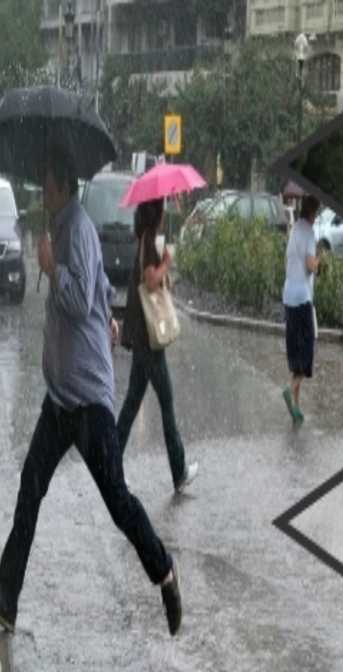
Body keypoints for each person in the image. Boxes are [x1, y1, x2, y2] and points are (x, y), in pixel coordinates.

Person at [0, 145, 182, 637]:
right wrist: (110, 320)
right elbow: (96, 290)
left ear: (60, 185)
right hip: (60, 399)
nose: (41, 189)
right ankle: (5, 600)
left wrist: (54, 270)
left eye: (45, 182)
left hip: (89, 401)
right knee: (29, 493)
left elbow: (76, 298)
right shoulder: (63, 226)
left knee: (117, 498)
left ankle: (163, 569)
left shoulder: (75, 229)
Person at [115, 198, 198, 493]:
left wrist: (164, 273)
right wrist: (165, 263)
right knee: (167, 401)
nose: (165, 214)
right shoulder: (149, 242)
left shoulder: (145, 240)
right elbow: (150, 281)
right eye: (163, 210)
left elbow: (151, 279)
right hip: (149, 340)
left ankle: (110, 467)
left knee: (132, 402)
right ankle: (179, 471)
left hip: (141, 337)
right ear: (156, 214)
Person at [282, 194, 324, 422]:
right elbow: (309, 266)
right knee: (306, 349)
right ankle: (291, 388)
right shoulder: (309, 232)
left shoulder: (294, 230)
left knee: (295, 348)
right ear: (313, 211)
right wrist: (318, 258)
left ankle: (296, 406)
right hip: (302, 297)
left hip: (288, 295)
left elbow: (286, 262)